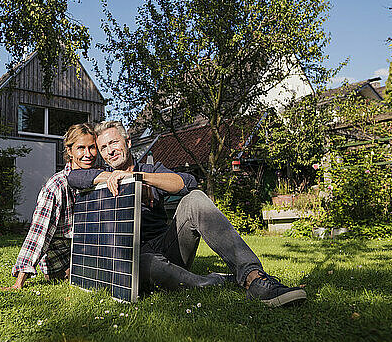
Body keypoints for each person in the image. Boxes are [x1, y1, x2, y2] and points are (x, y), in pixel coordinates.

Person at [67, 121, 306, 307]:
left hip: (168, 246)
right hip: (135, 258)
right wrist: (111, 177)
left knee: (195, 199)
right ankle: (213, 281)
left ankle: (255, 278)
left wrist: (139, 179)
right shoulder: (101, 179)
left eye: (114, 143)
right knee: (143, 261)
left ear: (128, 142)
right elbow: (74, 177)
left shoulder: (150, 170)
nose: (110, 150)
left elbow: (188, 182)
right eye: (104, 147)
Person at [0, 123, 98, 291]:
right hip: (61, 259)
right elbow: (38, 234)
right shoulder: (57, 186)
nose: (87, 154)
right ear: (69, 151)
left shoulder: (98, 179)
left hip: (85, 250)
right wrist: (19, 282)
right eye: (81, 148)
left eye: (92, 148)